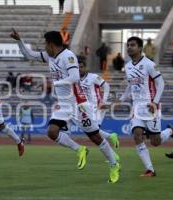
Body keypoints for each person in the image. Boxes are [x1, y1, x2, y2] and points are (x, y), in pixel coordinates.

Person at [11, 29, 120, 183]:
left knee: (96, 137)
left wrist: (56, 83)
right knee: (52, 132)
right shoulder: (50, 56)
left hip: (78, 104)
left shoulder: (68, 56)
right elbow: (29, 55)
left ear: (51, 44)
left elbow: (75, 77)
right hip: (64, 106)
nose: (44, 46)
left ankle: (114, 165)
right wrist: (19, 40)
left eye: (45, 43)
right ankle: (80, 149)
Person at [119, 36, 173, 177]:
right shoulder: (128, 66)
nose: (129, 47)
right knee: (137, 135)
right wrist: (122, 98)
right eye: (128, 45)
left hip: (150, 107)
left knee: (155, 142)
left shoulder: (149, 64)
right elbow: (130, 85)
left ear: (140, 48)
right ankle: (150, 169)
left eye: (133, 45)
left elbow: (161, 83)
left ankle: (170, 132)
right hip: (136, 108)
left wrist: (155, 102)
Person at [79, 59, 120, 159]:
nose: (79, 69)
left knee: (93, 132)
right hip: (87, 109)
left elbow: (106, 86)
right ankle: (111, 138)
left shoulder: (93, 77)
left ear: (85, 67)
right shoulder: (76, 80)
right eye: (77, 67)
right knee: (93, 132)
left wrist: (103, 102)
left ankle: (113, 154)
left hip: (97, 107)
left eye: (81, 67)